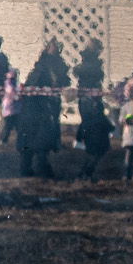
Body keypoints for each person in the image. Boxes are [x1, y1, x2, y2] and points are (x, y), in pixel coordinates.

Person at [17, 38, 69, 178]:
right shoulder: (41, 67)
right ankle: (29, 169)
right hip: (34, 109)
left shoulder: (58, 65)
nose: (53, 50)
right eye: (51, 47)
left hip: (47, 108)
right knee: (32, 141)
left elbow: (64, 81)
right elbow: (30, 86)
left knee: (43, 140)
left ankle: (41, 167)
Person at [76, 91, 113, 180]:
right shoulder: (103, 118)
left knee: (89, 157)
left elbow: (82, 128)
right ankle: (87, 173)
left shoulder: (88, 118)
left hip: (90, 142)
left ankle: (83, 173)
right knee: (95, 159)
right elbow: (110, 128)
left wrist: (79, 137)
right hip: (101, 143)